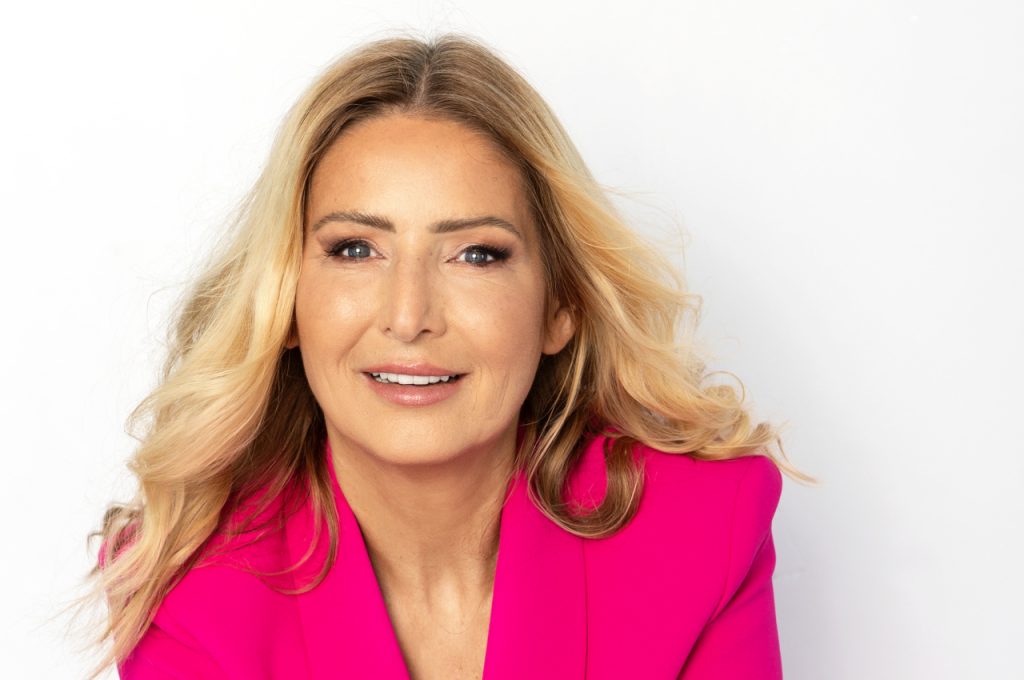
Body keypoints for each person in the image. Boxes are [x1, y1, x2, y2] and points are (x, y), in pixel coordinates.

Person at [86, 32, 807, 680]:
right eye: (356, 249)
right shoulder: (188, 588)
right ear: (286, 300)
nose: (409, 317)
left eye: (476, 254)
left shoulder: (703, 529)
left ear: (561, 305)